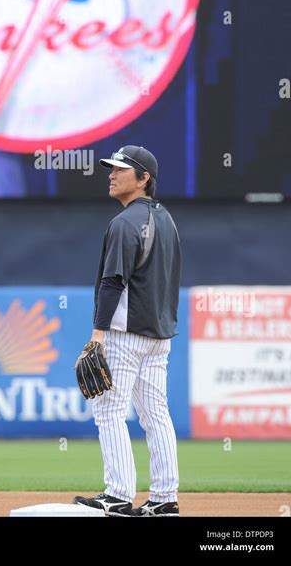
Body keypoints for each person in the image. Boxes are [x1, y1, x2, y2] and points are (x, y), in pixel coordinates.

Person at [73, 145, 181, 517]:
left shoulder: (124, 223)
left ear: (143, 178)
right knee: (156, 415)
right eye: (111, 168)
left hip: (124, 332)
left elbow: (112, 281)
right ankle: (165, 498)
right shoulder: (166, 220)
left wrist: (97, 335)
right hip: (159, 336)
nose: (112, 174)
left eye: (120, 169)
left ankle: (118, 495)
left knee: (108, 410)